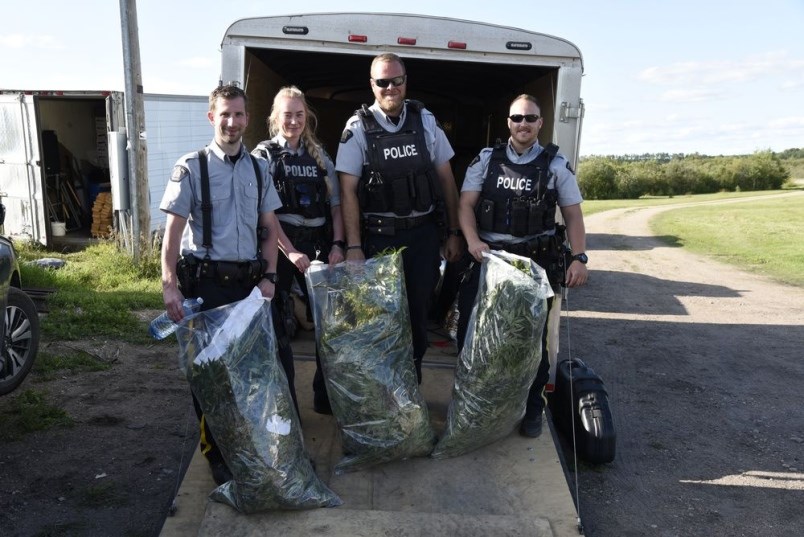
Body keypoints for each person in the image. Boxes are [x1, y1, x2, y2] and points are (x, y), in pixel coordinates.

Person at [159, 84, 297, 485]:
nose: (232, 123)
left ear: (247, 118)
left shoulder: (258, 168)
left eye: (238, 115)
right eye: (225, 115)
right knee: (212, 377)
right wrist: (170, 286)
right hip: (208, 288)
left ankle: (252, 445)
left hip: (250, 288)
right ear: (211, 117)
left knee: (258, 373)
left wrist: (270, 278)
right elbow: (172, 233)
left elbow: (270, 228)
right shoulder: (192, 166)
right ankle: (216, 455)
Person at [456, 94, 589, 438]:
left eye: (531, 118)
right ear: (509, 122)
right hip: (489, 261)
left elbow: (573, 214)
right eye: (517, 118)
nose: (523, 124)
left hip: (535, 264)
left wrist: (579, 256)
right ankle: (475, 406)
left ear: (540, 123)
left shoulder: (555, 165)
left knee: (533, 344)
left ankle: (532, 407)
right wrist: (472, 241)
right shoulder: (487, 160)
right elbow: (465, 205)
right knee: (473, 338)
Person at [336, 52, 463, 383]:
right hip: (379, 238)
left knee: (417, 315)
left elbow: (447, 180)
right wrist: (353, 247)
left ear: (406, 82)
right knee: (380, 318)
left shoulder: (425, 121)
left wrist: (453, 232)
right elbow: (347, 191)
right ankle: (382, 390)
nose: (390, 87)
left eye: (396, 80)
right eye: (382, 82)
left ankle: (412, 385)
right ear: (372, 85)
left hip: (422, 238)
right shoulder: (358, 128)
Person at [252, 86, 345, 415]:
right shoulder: (263, 156)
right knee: (277, 331)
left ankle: (324, 397)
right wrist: (289, 252)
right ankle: (285, 405)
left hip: (318, 246)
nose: (293, 121)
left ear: (307, 117)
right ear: (275, 118)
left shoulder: (321, 157)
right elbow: (267, 215)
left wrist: (337, 245)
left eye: (299, 114)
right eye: (287, 114)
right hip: (281, 247)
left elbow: (336, 207)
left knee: (328, 327)